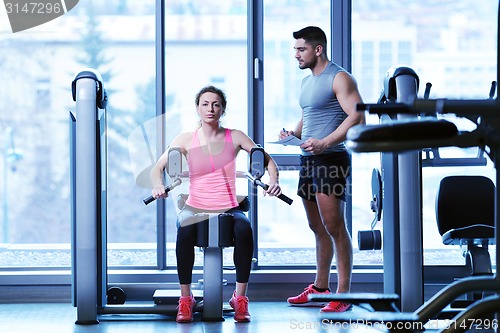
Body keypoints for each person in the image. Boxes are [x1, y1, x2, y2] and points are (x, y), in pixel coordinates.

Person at [150, 85, 282, 323]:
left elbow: (267, 160)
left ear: (223, 108)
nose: (210, 109)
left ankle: (240, 298)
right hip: (195, 205)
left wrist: (274, 180)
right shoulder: (186, 139)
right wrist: (157, 186)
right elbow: (157, 169)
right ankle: (185, 298)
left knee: (245, 230)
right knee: (185, 230)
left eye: (216, 104)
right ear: (197, 108)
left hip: (229, 206)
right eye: (205, 104)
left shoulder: (236, 136)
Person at [280, 26, 365, 313]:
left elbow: (358, 115)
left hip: (331, 160)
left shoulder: (339, 77)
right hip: (309, 159)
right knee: (316, 227)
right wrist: (292, 134)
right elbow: (310, 115)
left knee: (334, 227)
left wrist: (325, 142)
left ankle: (344, 295)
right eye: (294, 50)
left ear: (318, 49)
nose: (296, 55)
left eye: (300, 49)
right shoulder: (307, 82)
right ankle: (320, 287)